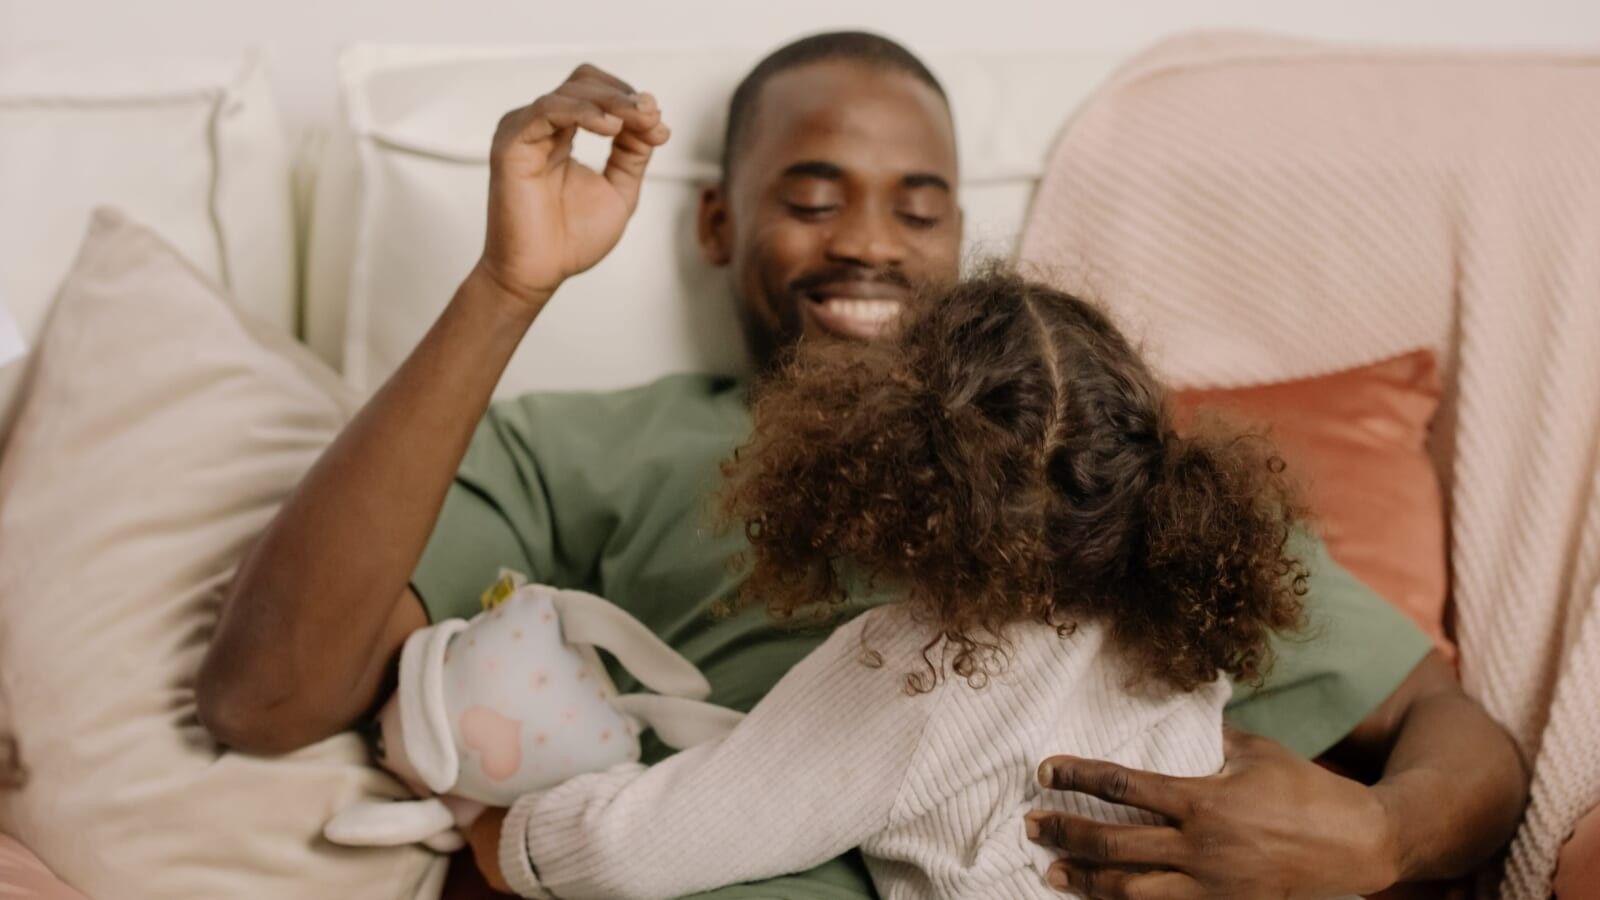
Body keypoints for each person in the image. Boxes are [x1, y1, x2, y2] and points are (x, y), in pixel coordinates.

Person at [197, 31, 1528, 899]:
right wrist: (507, 284)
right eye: (813, 194)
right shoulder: (590, 445)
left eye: (919, 203)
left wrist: (1375, 840)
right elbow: (264, 698)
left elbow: (1455, 733)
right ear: (719, 220)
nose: (868, 244)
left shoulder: (1099, 473)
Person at [482, 267, 1318, 899]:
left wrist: (495, 832)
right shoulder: (1182, 632)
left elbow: (641, 847)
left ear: (889, 465)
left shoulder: (908, 673)